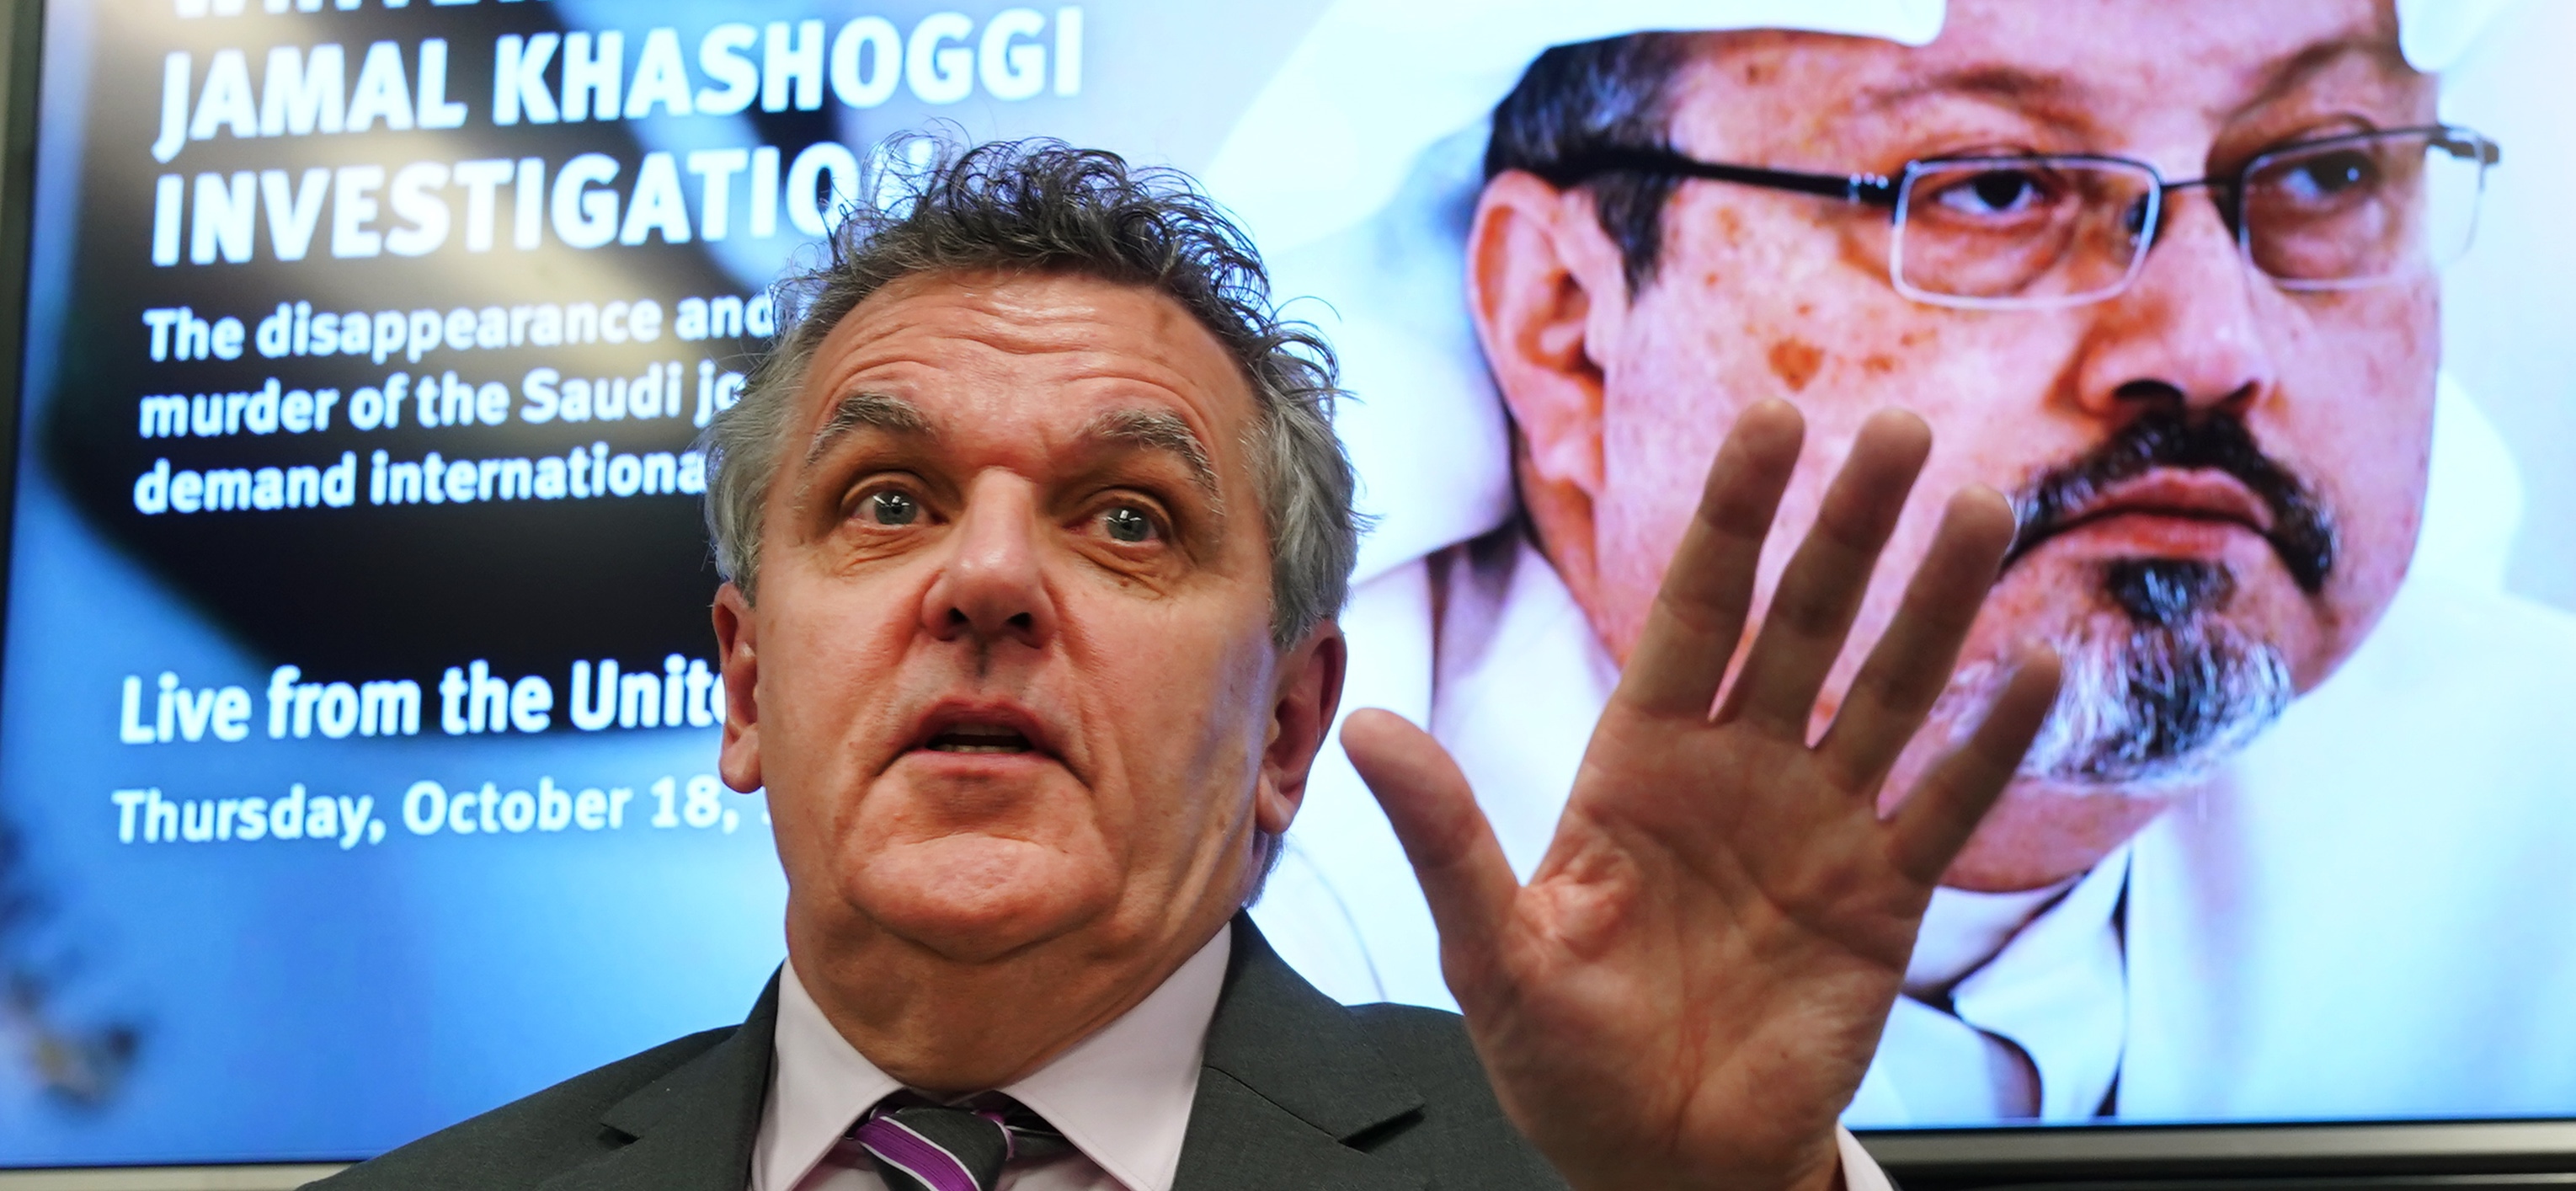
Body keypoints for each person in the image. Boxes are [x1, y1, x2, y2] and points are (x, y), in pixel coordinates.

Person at [1213, 0, 2576, 1125]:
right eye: (1992, 188)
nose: (2210, 343)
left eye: (2324, 171)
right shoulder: (1211, 924)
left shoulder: (2543, 823)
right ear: (1567, 330)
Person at [321, 142, 2057, 1190]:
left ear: (1289, 726)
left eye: (1130, 520)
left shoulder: (1588, 1179)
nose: (988, 578)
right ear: (748, 685)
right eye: (890, 498)